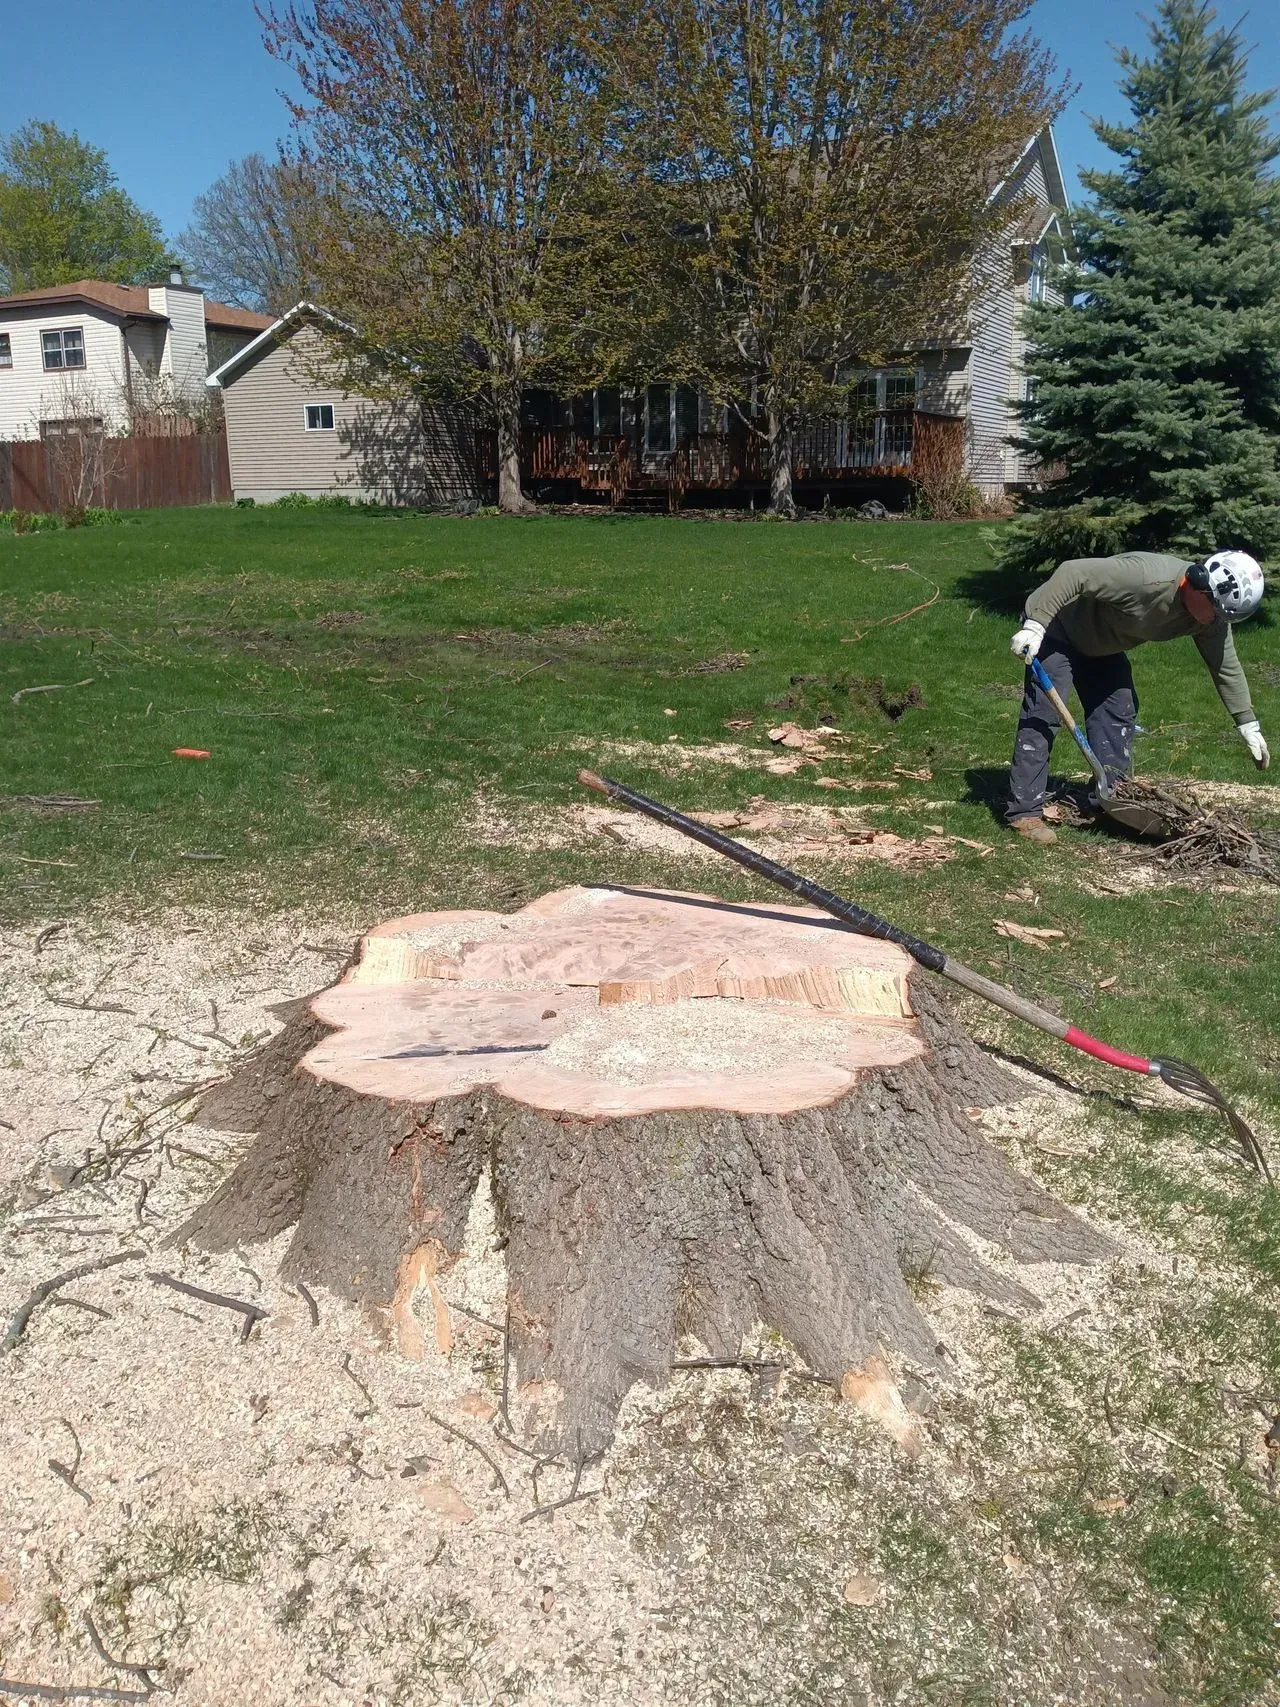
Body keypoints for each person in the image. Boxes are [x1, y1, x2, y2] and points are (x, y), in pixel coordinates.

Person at [1006, 548, 1268, 844]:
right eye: (1217, 612)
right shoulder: (1147, 579)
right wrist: (1035, 625)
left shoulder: (1207, 617)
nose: (1217, 621)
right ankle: (1024, 812)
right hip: (1056, 627)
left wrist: (1247, 722)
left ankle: (1108, 803)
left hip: (1101, 644)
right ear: (1199, 586)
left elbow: (1225, 664)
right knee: (1045, 711)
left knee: (1119, 707)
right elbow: (1073, 572)